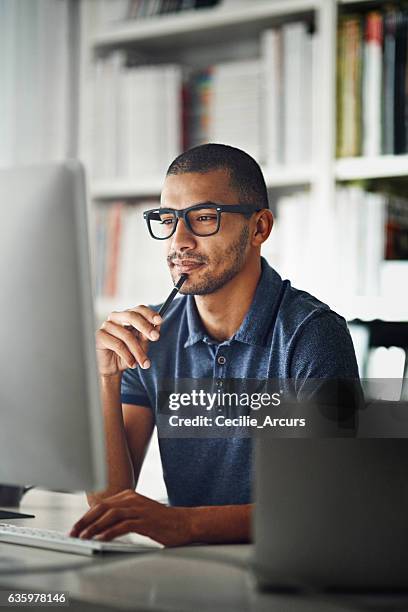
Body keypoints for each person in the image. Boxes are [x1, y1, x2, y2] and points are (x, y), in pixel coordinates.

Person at [70, 143, 359, 546]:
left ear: (259, 228)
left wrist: (183, 525)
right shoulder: (149, 337)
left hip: (290, 574)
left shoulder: (312, 335)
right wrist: (106, 379)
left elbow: (326, 505)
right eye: (168, 220)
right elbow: (110, 502)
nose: (179, 241)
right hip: (188, 574)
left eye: (204, 218)